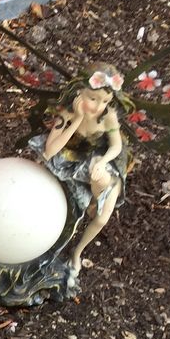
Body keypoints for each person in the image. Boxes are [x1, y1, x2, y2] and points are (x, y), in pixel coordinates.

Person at [29, 63, 130, 274]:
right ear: (79, 92)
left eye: (105, 101)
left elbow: (116, 146)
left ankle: (77, 253)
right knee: (68, 208)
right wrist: (76, 119)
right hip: (71, 160)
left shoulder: (108, 116)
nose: (98, 107)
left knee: (102, 217)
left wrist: (103, 162)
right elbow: (50, 150)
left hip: (102, 164)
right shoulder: (67, 113)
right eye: (93, 99)